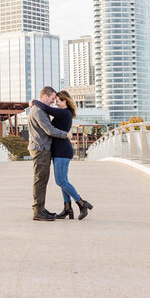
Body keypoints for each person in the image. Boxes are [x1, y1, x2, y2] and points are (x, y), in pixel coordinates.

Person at [30, 90, 93, 220]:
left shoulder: (64, 112)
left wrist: (34, 101)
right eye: (54, 99)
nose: (55, 102)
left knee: (61, 181)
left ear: (65, 101)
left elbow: (47, 111)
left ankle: (81, 203)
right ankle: (67, 208)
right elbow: (48, 111)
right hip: (59, 150)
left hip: (62, 150)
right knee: (63, 181)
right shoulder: (63, 112)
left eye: (58, 100)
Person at [28, 86, 73, 221]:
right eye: (53, 98)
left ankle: (41, 208)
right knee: (40, 180)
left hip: (42, 148)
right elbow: (49, 130)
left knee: (42, 179)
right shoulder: (38, 111)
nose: (53, 102)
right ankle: (38, 211)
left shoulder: (40, 109)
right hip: (40, 149)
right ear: (46, 96)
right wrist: (66, 135)